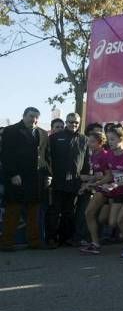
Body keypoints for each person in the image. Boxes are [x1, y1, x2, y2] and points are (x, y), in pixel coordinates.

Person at [0, 107, 48, 250]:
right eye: (31, 116)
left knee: (34, 212)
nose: (33, 119)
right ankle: (6, 243)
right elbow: (6, 155)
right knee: (13, 211)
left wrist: (48, 174)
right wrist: (13, 174)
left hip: (36, 178)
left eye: (36, 117)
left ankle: (34, 242)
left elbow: (47, 156)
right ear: (24, 116)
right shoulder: (10, 131)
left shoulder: (43, 133)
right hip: (17, 178)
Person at [45, 112, 89, 248]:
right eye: (70, 122)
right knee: (54, 211)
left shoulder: (84, 139)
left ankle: (65, 239)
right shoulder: (54, 138)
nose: (73, 124)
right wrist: (49, 175)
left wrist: (85, 180)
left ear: (79, 123)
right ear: (66, 122)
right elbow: (47, 159)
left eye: (76, 122)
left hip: (75, 183)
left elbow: (86, 162)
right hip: (57, 181)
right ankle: (51, 238)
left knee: (68, 213)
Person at [79, 131, 110, 254]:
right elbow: (98, 175)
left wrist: (91, 183)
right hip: (101, 188)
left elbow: (108, 176)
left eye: (92, 142)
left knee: (89, 213)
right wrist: (87, 183)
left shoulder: (105, 155)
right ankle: (95, 242)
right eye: (88, 141)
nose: (89, 144)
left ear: (101, 143)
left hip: (108, 189)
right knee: (102, 218)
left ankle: (95, 243)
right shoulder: (93, 155)